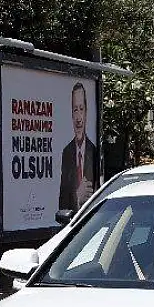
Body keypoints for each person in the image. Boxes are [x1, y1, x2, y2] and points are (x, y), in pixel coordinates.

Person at [59, 81, 97, 212]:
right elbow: (62, 205)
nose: (78, 118)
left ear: (86, 112)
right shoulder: (67, 152)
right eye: (75, 110)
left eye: (81, 109)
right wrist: (76, 197)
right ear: (71, 114)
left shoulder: (94, 151)